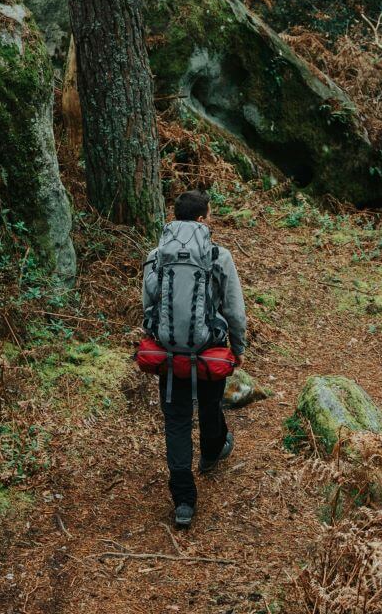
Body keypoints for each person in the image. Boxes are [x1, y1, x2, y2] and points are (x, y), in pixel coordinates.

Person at [141, 190, 247, 527]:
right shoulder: (220, 256)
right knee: (211, 406)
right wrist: (238, 347)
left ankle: (184, 501)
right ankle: (212, 452)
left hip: (171, 358)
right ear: (202, 219)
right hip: (208, 355)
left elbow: (148, 307)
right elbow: (234, 310)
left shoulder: (156, 255)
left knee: (176, 421)